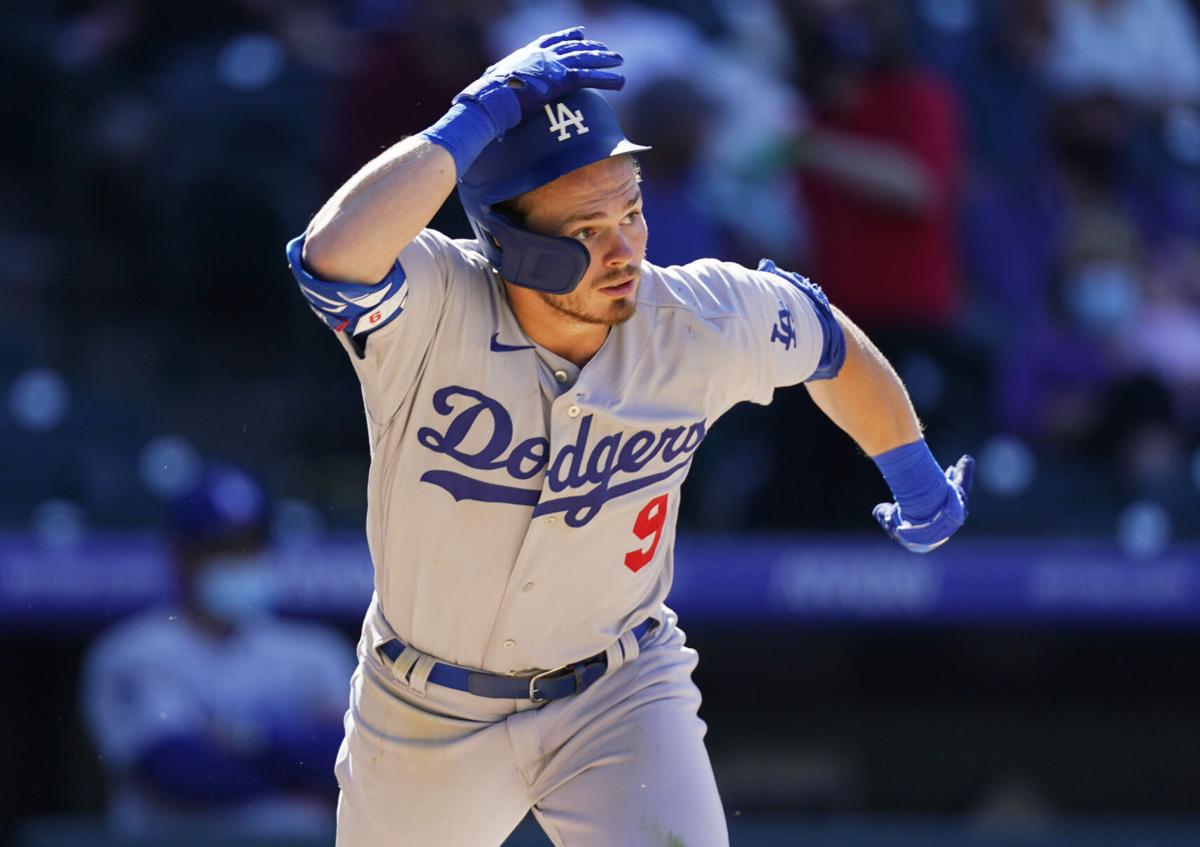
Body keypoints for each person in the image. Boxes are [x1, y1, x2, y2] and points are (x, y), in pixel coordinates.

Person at [287, 27, 973, 847]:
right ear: (513, 244)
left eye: (632, 210)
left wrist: (911, 466)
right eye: (587, 228)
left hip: (616, 694)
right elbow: (331, 255)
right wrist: (467, 123)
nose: (626, 249)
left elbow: (828, 345)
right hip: (428, 709)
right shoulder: (435, 300)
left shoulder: (695, 315)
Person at [81, 464, 354, 838]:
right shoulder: (132, 653)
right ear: (181, 556)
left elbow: (349, 759)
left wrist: (241, 738)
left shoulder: (314, 651)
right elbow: (178, 770)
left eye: (252, 545)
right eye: (222, 547)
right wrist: (294, 763)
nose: (241, 559)